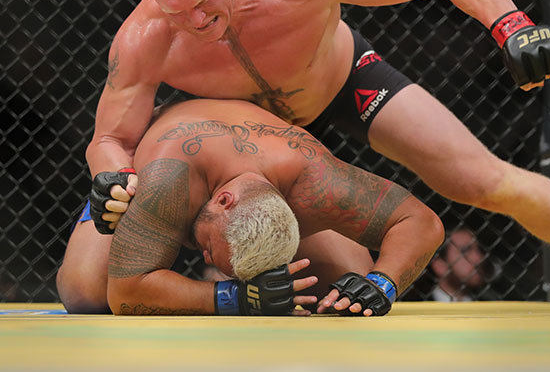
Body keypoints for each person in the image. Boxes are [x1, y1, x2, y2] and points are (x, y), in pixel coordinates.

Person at [82, 0, 550, 313]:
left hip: (343, 84)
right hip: (241, 141)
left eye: (202, 0)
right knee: (87, 293)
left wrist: (509, 22)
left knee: (484, 179)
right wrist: (111, 177)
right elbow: (110, 137)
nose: (195, 20)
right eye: (175, 10)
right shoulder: (145, 38)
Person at [58, 98, 444, 316]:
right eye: (212, 250)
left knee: (347, 290)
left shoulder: (314, 181)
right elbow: (125, 293)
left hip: (266, 176)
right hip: (145, 173)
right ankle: (108, 205)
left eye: (208, 253)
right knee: (85, 294)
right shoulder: (166, 179)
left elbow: (419, 221)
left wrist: (383, 283)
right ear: (222, 201)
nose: (203, 254)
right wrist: (234, 298)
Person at [429, 228, 490, 302]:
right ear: (440, 265)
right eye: (465, 251)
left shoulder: (489, 306)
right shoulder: (417, 307)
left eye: (479, 249)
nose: (479, 257)